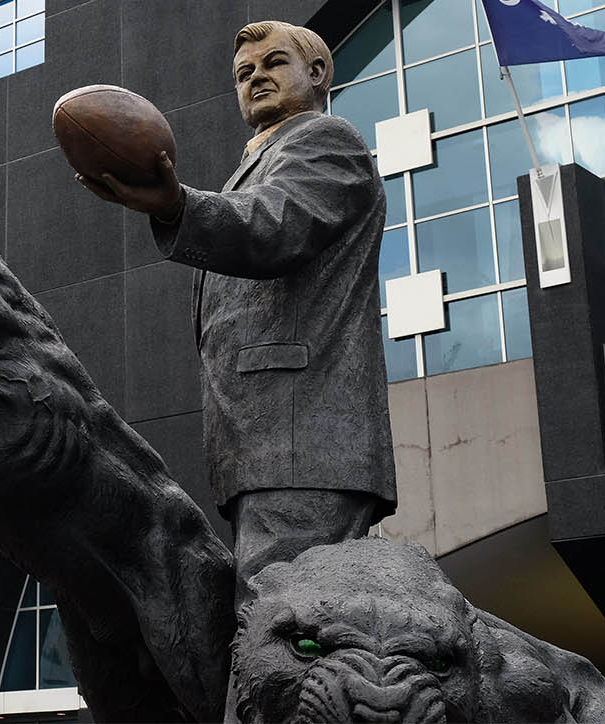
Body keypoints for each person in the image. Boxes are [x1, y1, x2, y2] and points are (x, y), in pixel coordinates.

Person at [76, 20, 396, 607]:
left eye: (274, 63)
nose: (257, 78)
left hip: (304, 437)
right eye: (244, 74)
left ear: (318, 73)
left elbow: (271, 229)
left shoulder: (326, 140)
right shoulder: (259, 163)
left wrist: (178, 205)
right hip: (268, 442)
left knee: (284, 629)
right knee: (279, 627)